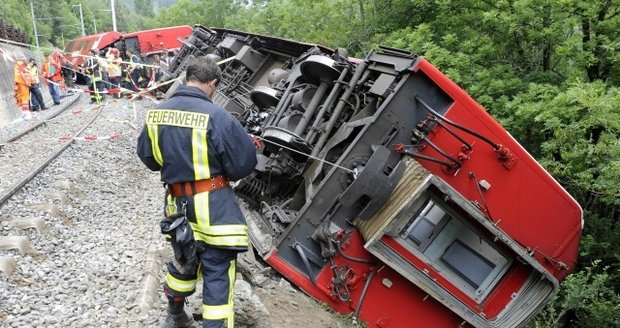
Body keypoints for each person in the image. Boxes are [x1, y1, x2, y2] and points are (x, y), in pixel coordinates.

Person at [137, 57, 257, 328]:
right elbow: (243, 164)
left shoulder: (156, 113)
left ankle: (175, 316)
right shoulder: (219, 117)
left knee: (184, 258)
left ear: (187, 77)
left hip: (177, 206)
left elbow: (148, 157)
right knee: (217, 271)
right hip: (214, 208)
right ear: (212, 84)